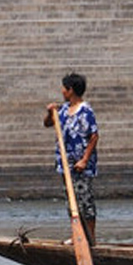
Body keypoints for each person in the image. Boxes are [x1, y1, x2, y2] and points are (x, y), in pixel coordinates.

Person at [44, 72, 98, 246]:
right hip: (66, 165)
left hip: (81, 165)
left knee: (85, 201)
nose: (62, 91)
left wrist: (84, 160)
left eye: (64, 88)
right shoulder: (63, 110)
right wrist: (49, 112)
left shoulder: (85, 110)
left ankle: (90, 239)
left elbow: (94, 136)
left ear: (71, 90)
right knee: (71, 201)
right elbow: (48, 123)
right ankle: (77, 236)